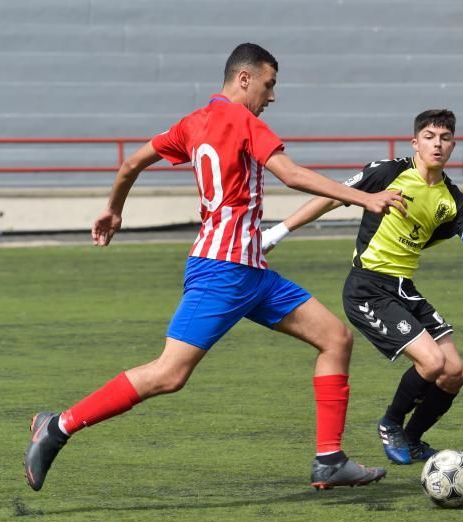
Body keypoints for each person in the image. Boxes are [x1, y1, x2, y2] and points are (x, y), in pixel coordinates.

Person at [23, 43, 408, 493]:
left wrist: (113, 209)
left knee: (335, 339)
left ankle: (329, 459)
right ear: (243, 80)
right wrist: (366, 198)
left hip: (251, 271)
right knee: (169, 373)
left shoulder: (192, 124)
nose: (272, 96)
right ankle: (58, 426)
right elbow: (291, 174)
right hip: (223, 271)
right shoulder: (244, 120)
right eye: (269, 85)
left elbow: (131, 162)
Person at [261, 109, 463, 465]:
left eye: (445, 138)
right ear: (415, 142)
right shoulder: (388, 172)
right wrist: (277, 233)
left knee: (455, 372)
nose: (437, 144)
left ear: (453, 145)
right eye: (430, 137)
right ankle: (390, 423)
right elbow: (330, 196)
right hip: (367, 287)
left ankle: (413, 440)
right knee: (432, 363)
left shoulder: (455, 201)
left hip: (404, 289)